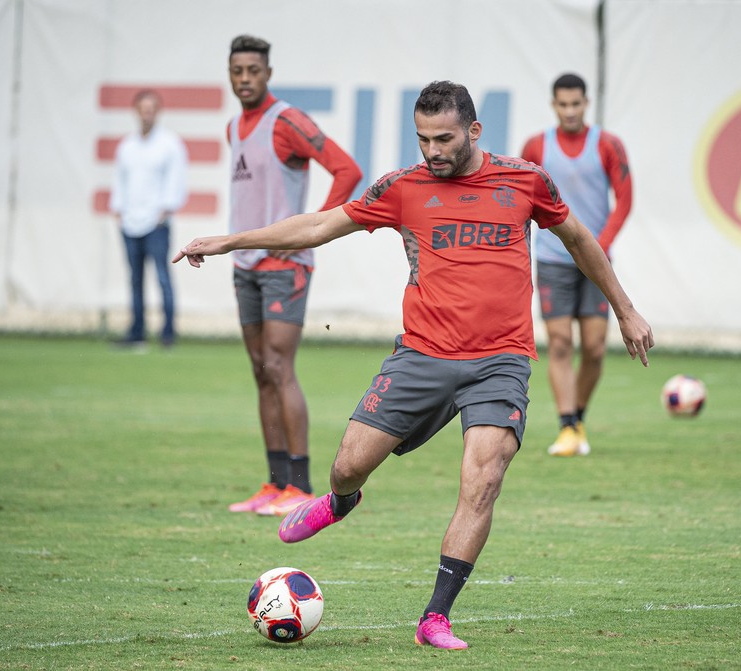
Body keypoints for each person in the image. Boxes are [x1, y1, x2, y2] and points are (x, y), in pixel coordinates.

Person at [173, 81, 652, 650]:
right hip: (422, 355)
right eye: (423, 139)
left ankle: (435, 617)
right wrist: (231, 241)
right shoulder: (403, 186)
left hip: (500, 361)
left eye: (444, 138)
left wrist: (625, 309)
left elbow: (578, 239)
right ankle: (339, 501)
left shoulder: (525, 180)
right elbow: (321, 226)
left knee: (483, 479)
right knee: (348, 466)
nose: (432, 151)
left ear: (474, 131)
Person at [222, 35, 362, 517]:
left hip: (285, 264)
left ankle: (300, 486)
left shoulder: (287, 121)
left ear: (268, 73)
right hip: (245, 263)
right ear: (230, 73)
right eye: (237, 70)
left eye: (253, 71)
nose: (245, 79)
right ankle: (275, 481)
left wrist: (311, 231)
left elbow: (347, 169)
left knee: (280, 367)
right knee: (261, 370)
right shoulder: (234, 128)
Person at [520, 73, 633, 457]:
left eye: (576, 104)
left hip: (595, 260)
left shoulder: (608, 145)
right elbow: (521, 199)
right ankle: (567, 425)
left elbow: (625, 199)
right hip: (552, 259)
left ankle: (578, 417)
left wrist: (597, 247)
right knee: (562, 344)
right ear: (554, 105)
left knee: (596, 348)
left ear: (586, 104)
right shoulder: (536, 146)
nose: (570, 111)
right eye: (563, 105)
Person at [109, 89, 188, 349]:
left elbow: (176, 181)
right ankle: (137, 332)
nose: (147, 114)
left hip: (157, 223)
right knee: (135, 278)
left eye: (151, 109)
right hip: (130, 222)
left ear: (158, 113)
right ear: (136, 112)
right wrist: (119, 210)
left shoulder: (169, 144)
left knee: (162, 276)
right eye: (143, 109)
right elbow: (120, 181)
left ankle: (167, 334)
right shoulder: (126, 146)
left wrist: (165, 211)